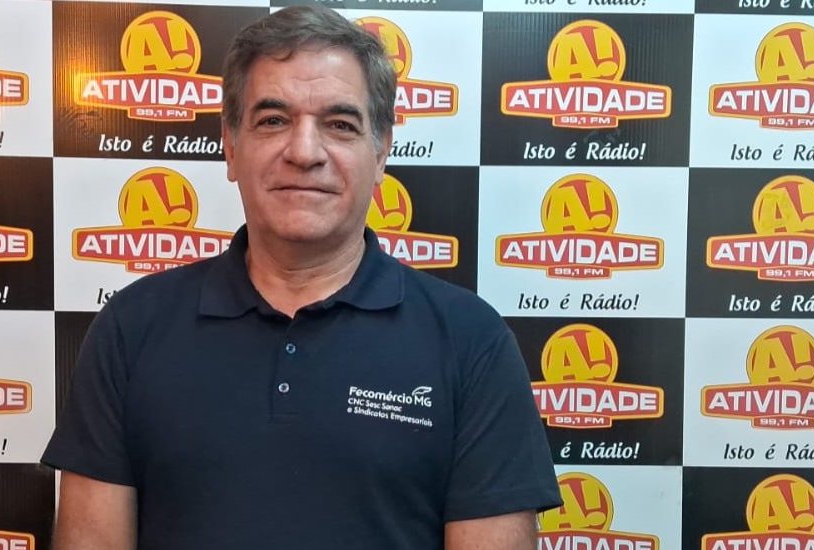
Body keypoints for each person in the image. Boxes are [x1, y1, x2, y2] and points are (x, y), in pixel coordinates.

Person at [42, 5, 560, 549]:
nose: (305, 152)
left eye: (340, 125)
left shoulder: (471, 340)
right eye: (273, 120)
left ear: (381, 151)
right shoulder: (132, 326)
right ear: (230, 146)